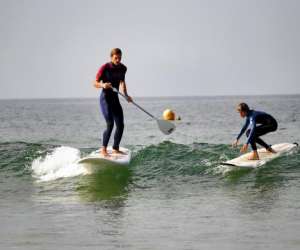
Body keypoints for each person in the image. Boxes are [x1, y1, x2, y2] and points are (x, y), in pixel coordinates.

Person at [93, 48, 132, 156]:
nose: (118, 60)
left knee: (120, 125)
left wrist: (126, 95)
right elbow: (94, 83)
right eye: (116, 58)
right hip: (105, 99)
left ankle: (115, 148)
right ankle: (103, 149)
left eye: (120, 58)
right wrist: (103, 85)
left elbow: (122, 82)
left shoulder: (123, 68)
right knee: (110, 124)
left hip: (115, 99)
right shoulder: (105, 67)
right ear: (111, 57)